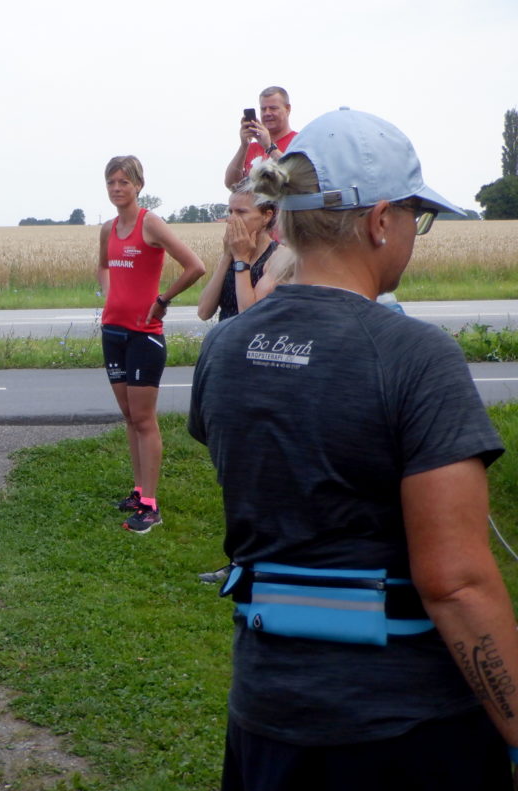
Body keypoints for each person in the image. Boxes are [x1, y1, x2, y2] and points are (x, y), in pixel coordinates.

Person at [189, 108, 517, 790]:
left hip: (265, 722)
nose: (413, 236)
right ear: (379, 221)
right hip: (406, 733)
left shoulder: (222, 349)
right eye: (415, 219)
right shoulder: (414, 356)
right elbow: (455, 582)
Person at [98, 156, 205, 534]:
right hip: (113, 332)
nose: (116, 188)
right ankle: (139, 490)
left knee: (144, 419)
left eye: (123, 182)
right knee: (129, 417)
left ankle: (151, 506)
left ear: (138, 185)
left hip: (145, 335)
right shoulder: (108, 228)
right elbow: (104, 266)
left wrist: (162, 300)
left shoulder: (151, 223)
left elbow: (195, 266)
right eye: (111, 182)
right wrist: (110, 300)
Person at [197, 180, 295, 323]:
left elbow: (249, 318)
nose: (231, 219)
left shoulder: (279, 257)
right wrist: (226, 256)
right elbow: (204, 312)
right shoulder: (234, 254)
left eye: (241, 212)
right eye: (230, 212)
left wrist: (241, 260)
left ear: (266, 216)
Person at [223, 87, 297, 191]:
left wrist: (269, 147)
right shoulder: (251, 148)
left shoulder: (299, 141)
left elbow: (298, 177)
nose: (267, 113)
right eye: (263, 109)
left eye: (273, 108)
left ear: (287, 109)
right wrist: (244, 146)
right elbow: (231, 184)